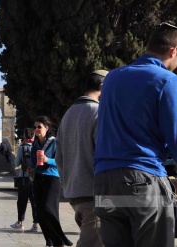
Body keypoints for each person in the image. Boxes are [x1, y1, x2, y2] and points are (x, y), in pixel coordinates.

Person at [93, 22, 177, 247]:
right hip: (142, 181)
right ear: (174, 51)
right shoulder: (167, 80)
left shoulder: (112, 79)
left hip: (105, 182)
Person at [56, 70, 108, 247]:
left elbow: (59, 157)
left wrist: (67, 184)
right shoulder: (99, 112)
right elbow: (104, 155)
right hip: (94, 195)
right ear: (103, 86)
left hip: (75, 193)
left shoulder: (68, 114)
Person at [30, 116, 72, 247]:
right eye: (35, 127)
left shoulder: (54, 142)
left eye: (39, 126)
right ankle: (50, 240)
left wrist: (48, 160)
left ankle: (61, 238)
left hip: (52, 178)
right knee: (40, 211)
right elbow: (32, 160)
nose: (36, 129)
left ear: (46, 128)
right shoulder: (35, 143)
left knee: (49, 208)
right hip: (38, 177)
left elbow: (63, 160)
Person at [10, 127, 38, 231]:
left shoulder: (22, 147)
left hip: (24, 178)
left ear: (25, 136)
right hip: (35, 178)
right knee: (34, 201)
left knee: (22, 200)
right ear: (33, 136)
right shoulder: (37, 146)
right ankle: (35, 224)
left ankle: (20, 222)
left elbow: (17, 163)